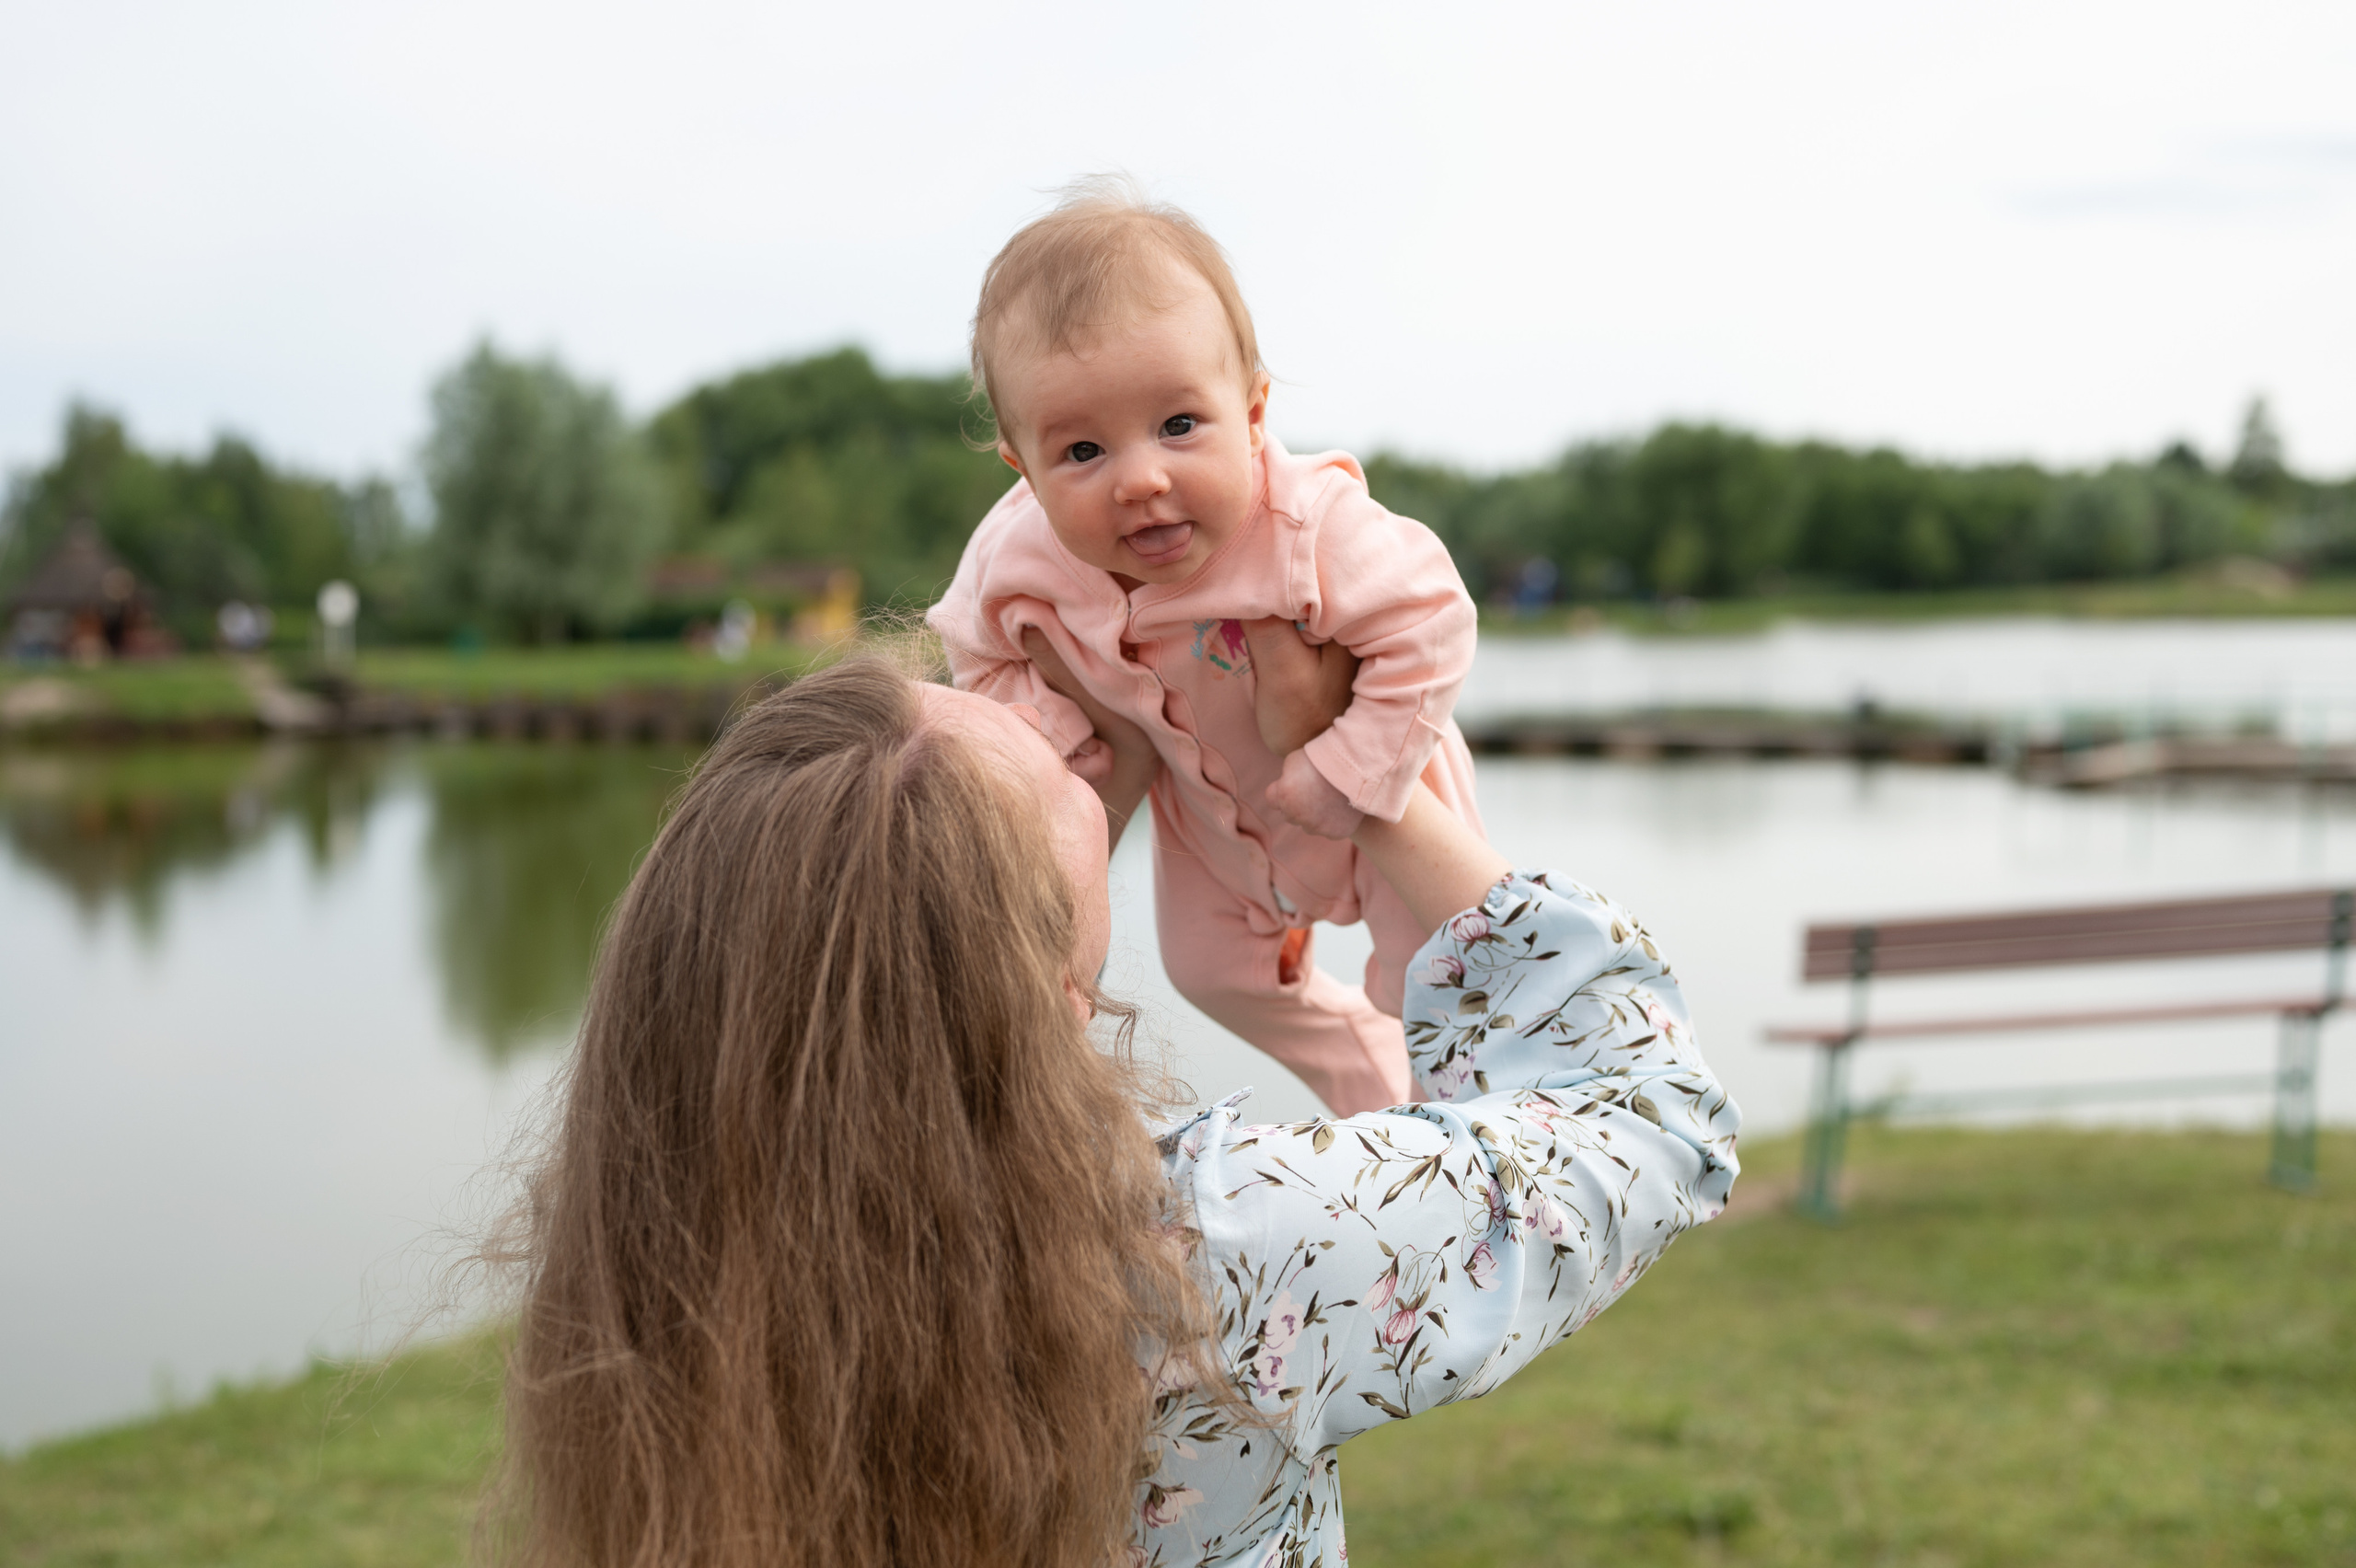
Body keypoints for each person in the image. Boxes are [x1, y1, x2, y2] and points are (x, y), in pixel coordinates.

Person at [492, 633, 1740, 1568]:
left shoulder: (654, 1244)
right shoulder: (1212, 1250)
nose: (1061, 729)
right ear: (1054, 985)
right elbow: (1649, 1118)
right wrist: (1380, 777)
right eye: (1059, 771)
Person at [928, 177, 1484, 1116]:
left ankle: (1452, 1131)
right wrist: (1063, 738)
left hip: (1377, 785)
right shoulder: (1013, 558)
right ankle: (1362, 1081)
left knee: (1442, 971)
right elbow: (974, 656)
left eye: (1179, 427)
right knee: (1206, 970)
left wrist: (1351, 769)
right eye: (1081, 453)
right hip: (1204, 821)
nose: (1141, 480)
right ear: (1021, 467)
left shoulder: (1306, 524)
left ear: (1256, 414)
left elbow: (1430, 622)